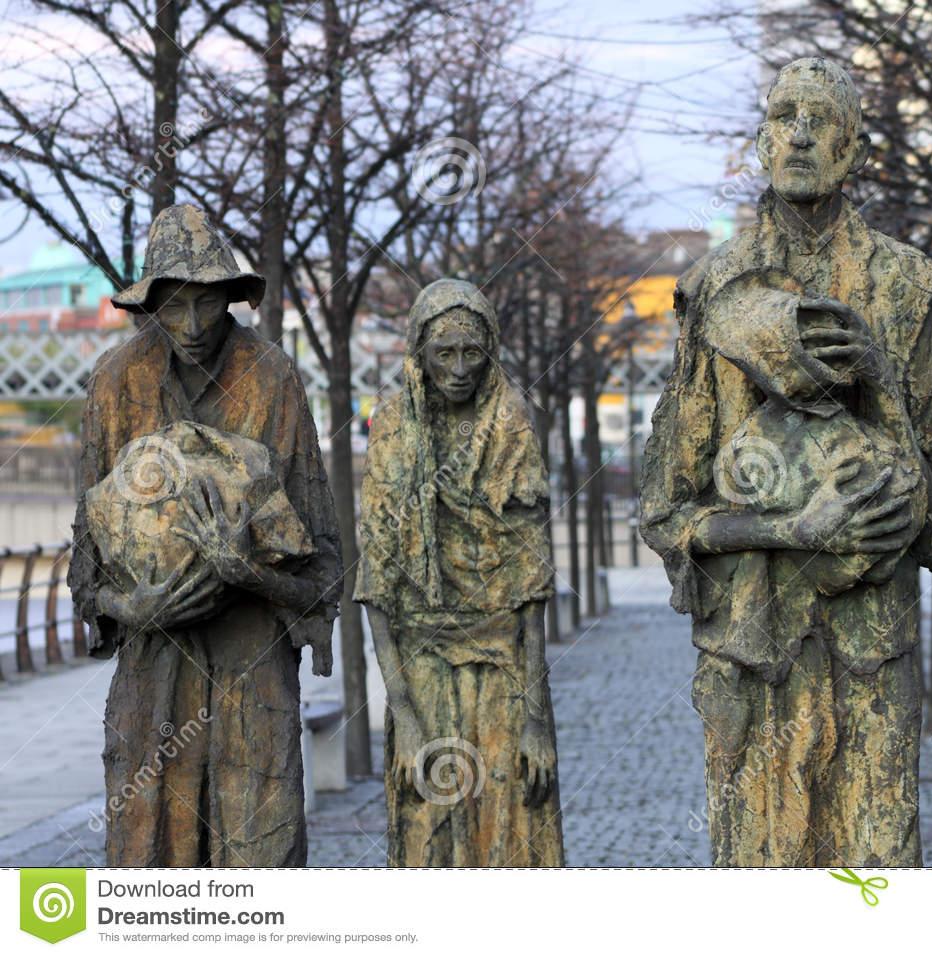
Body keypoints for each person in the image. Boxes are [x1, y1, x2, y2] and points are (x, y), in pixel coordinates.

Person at [639, 57, 932, 866]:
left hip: (872, 651)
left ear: (853, 148)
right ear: (761, 143)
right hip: (752, 653)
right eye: (786, 117)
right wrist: (796, 530)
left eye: (822, 120)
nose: (802, 135)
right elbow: (667, 513)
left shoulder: (906, 284)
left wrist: (879, 381)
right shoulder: (714, 287)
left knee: (876, 879)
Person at [69, 203, 341, 866]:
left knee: (261, 857)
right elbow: (86, 554)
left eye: (208, 304)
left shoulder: (273, 376)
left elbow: (323, 562)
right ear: (152, 304)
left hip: (252, 662)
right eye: (174, 306)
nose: (192, 326)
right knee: (148, 858)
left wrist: (248, 572)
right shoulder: (116, 381)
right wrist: (128, 606)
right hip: (152, 669)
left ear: (230, 298)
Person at [354, 279, 563, 867]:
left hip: (503, 670)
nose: (459, 368)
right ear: (419, 353)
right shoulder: (393, 427)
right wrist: (402, 713)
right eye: (444, 352)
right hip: (421, 667)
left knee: (509, 830)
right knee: (429, 832)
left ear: (489, 351)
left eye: (472, 352)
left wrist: (537, 722)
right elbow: (377, 584)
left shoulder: (511, 424)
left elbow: (531, 590)